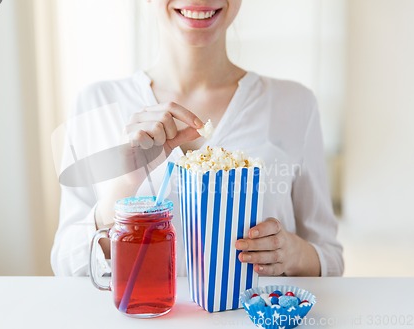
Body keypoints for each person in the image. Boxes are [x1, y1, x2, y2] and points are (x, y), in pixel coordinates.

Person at [51, 0, 344, 277]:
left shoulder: (295, 104)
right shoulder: (96, 104)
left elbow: (330, 258)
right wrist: (127, 186)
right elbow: (65, 262)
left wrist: (293, 254)